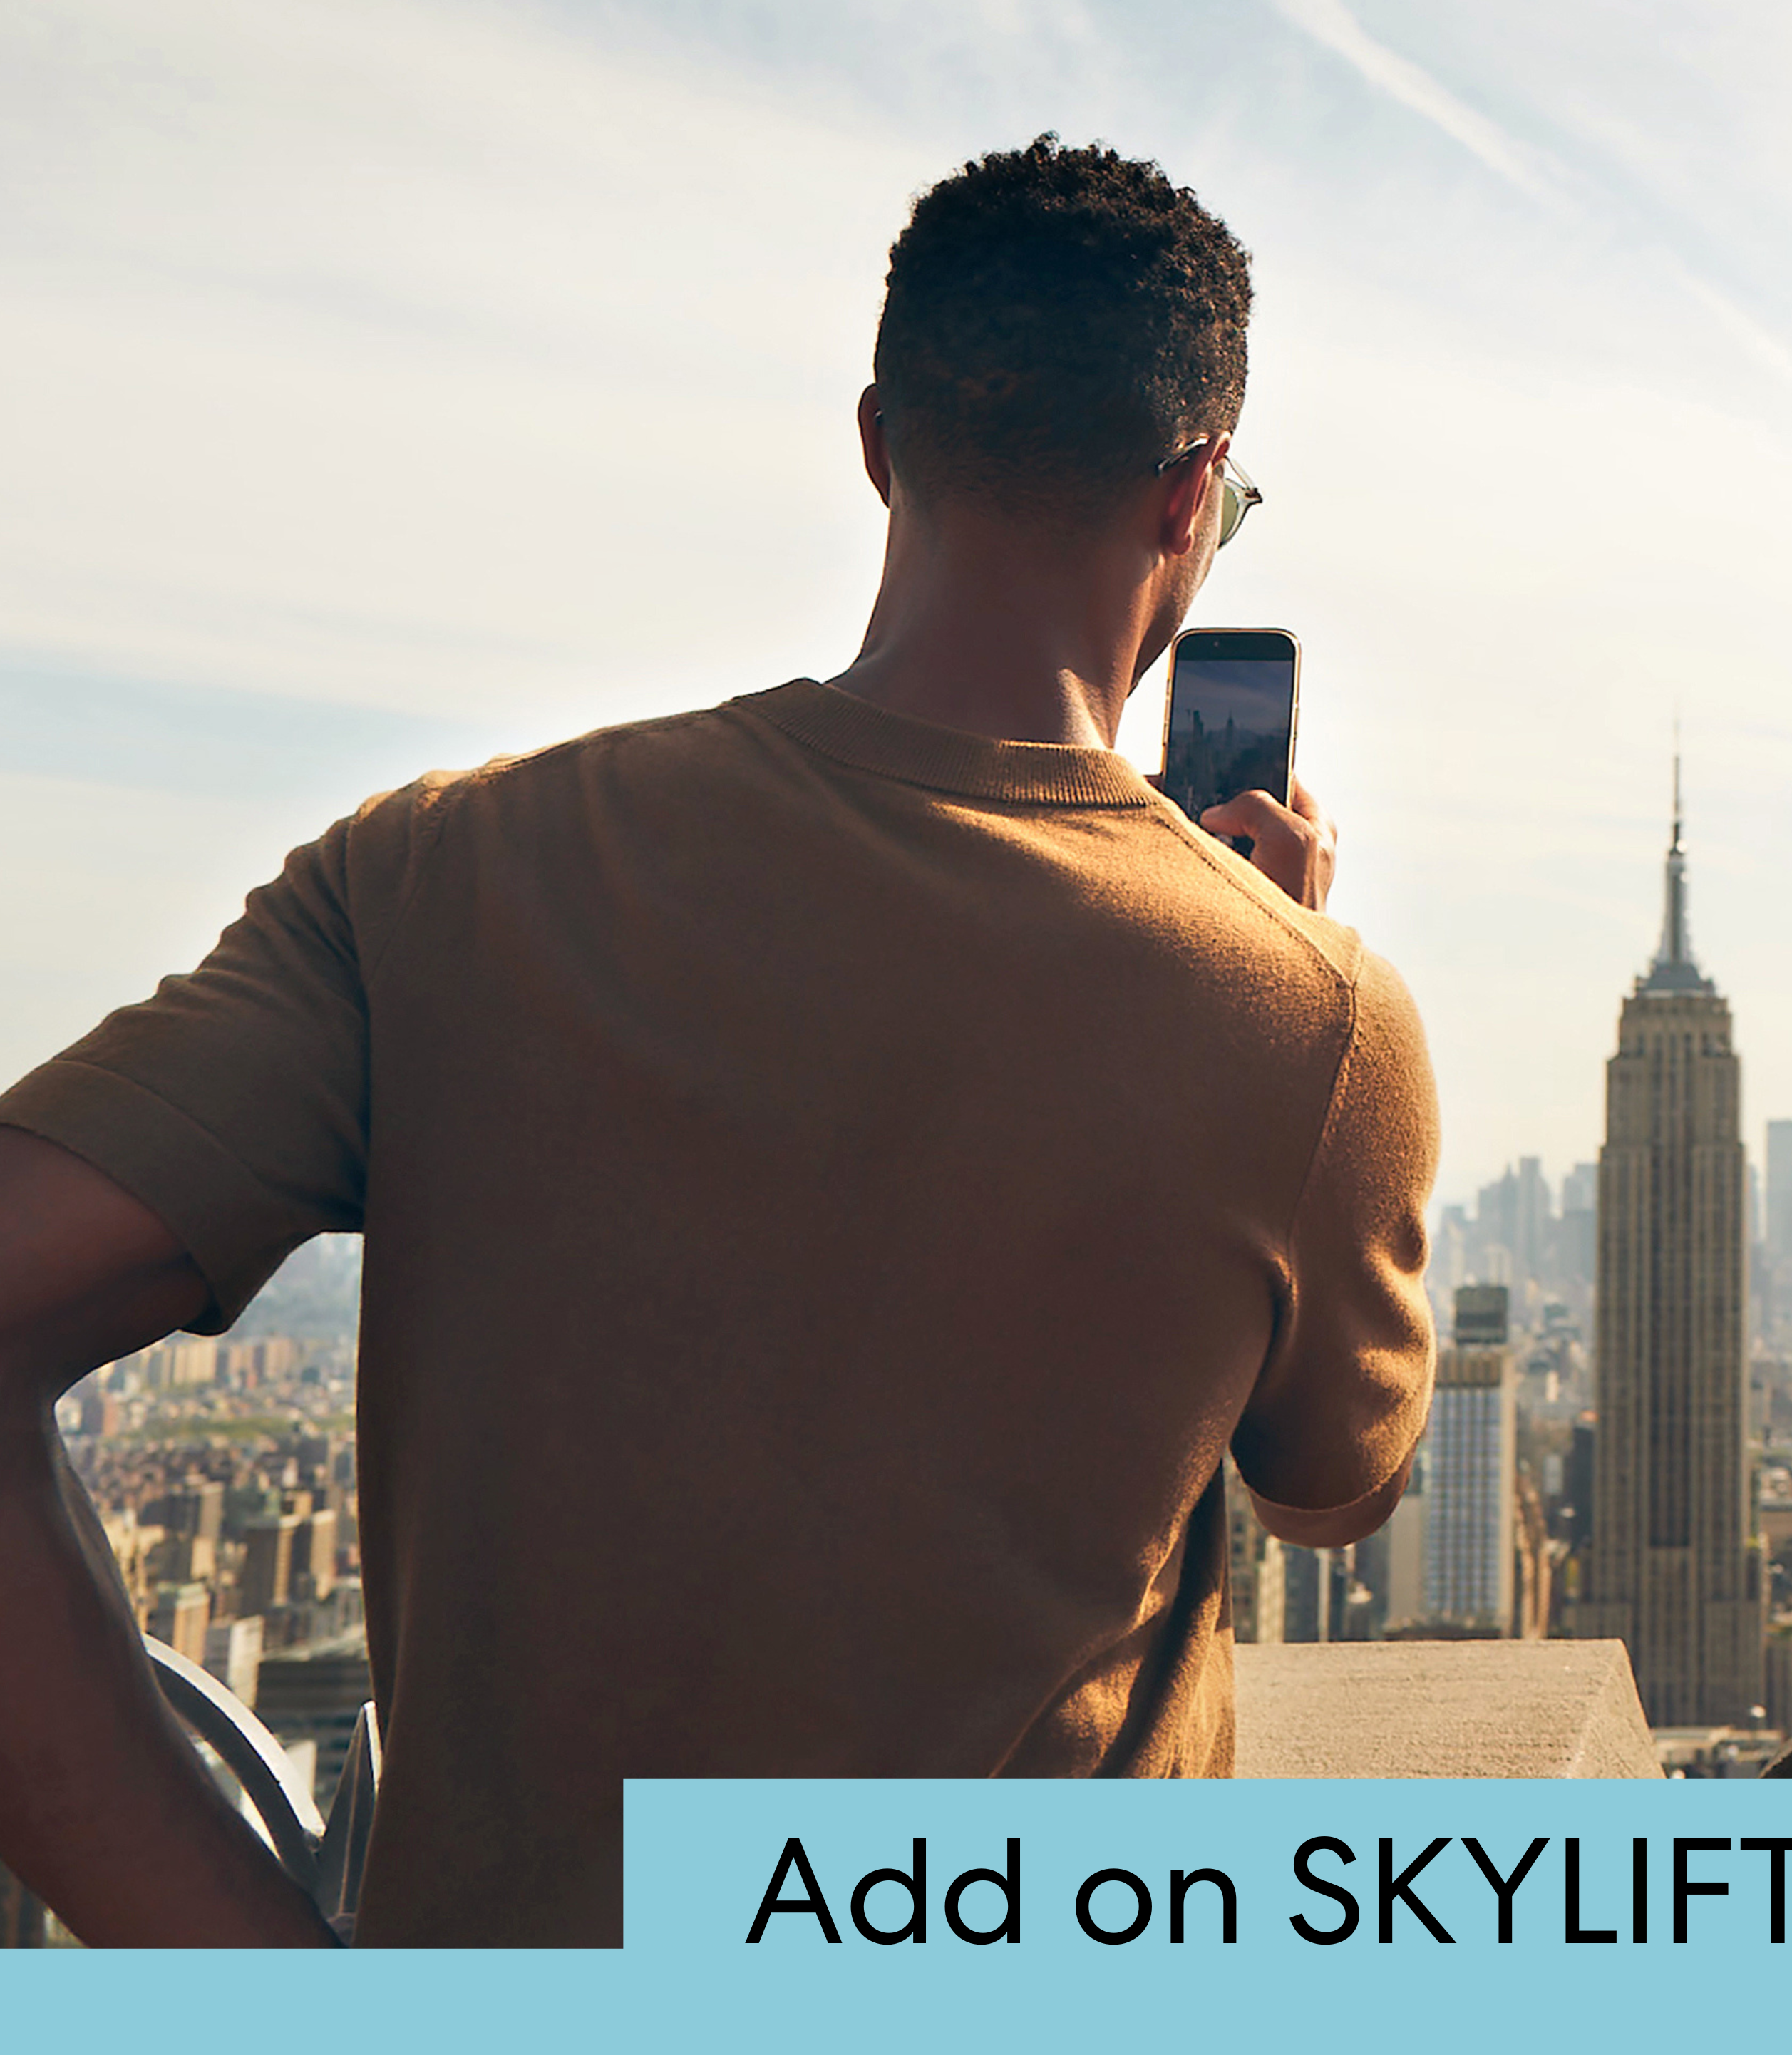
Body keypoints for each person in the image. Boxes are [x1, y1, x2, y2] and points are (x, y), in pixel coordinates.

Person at [0, 138, 1438, 1947]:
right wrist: (1287, 957)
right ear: (1190, 493)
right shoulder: (1309, 1013)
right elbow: (1334, 1490)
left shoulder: (438, 873)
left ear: (877, 445)